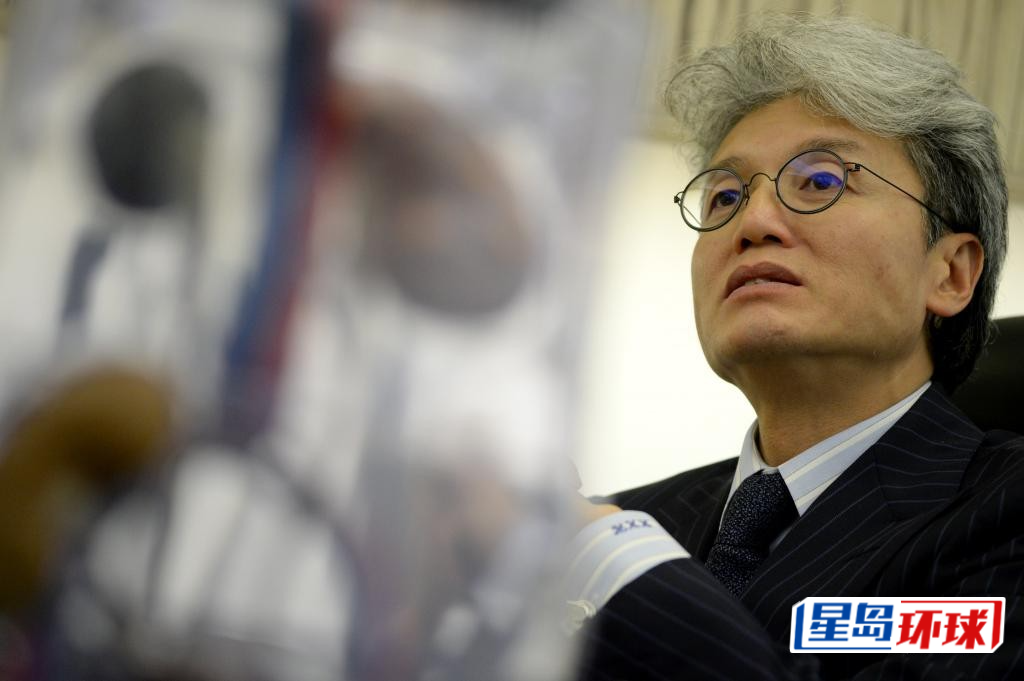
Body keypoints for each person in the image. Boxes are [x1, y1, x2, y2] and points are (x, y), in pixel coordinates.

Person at [567, 12, 1024, 681]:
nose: (752, 221)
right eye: (725, 196)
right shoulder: (633, 518)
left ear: (950, 273)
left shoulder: (1003, 513)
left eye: (821, 181)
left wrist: (609, 558)